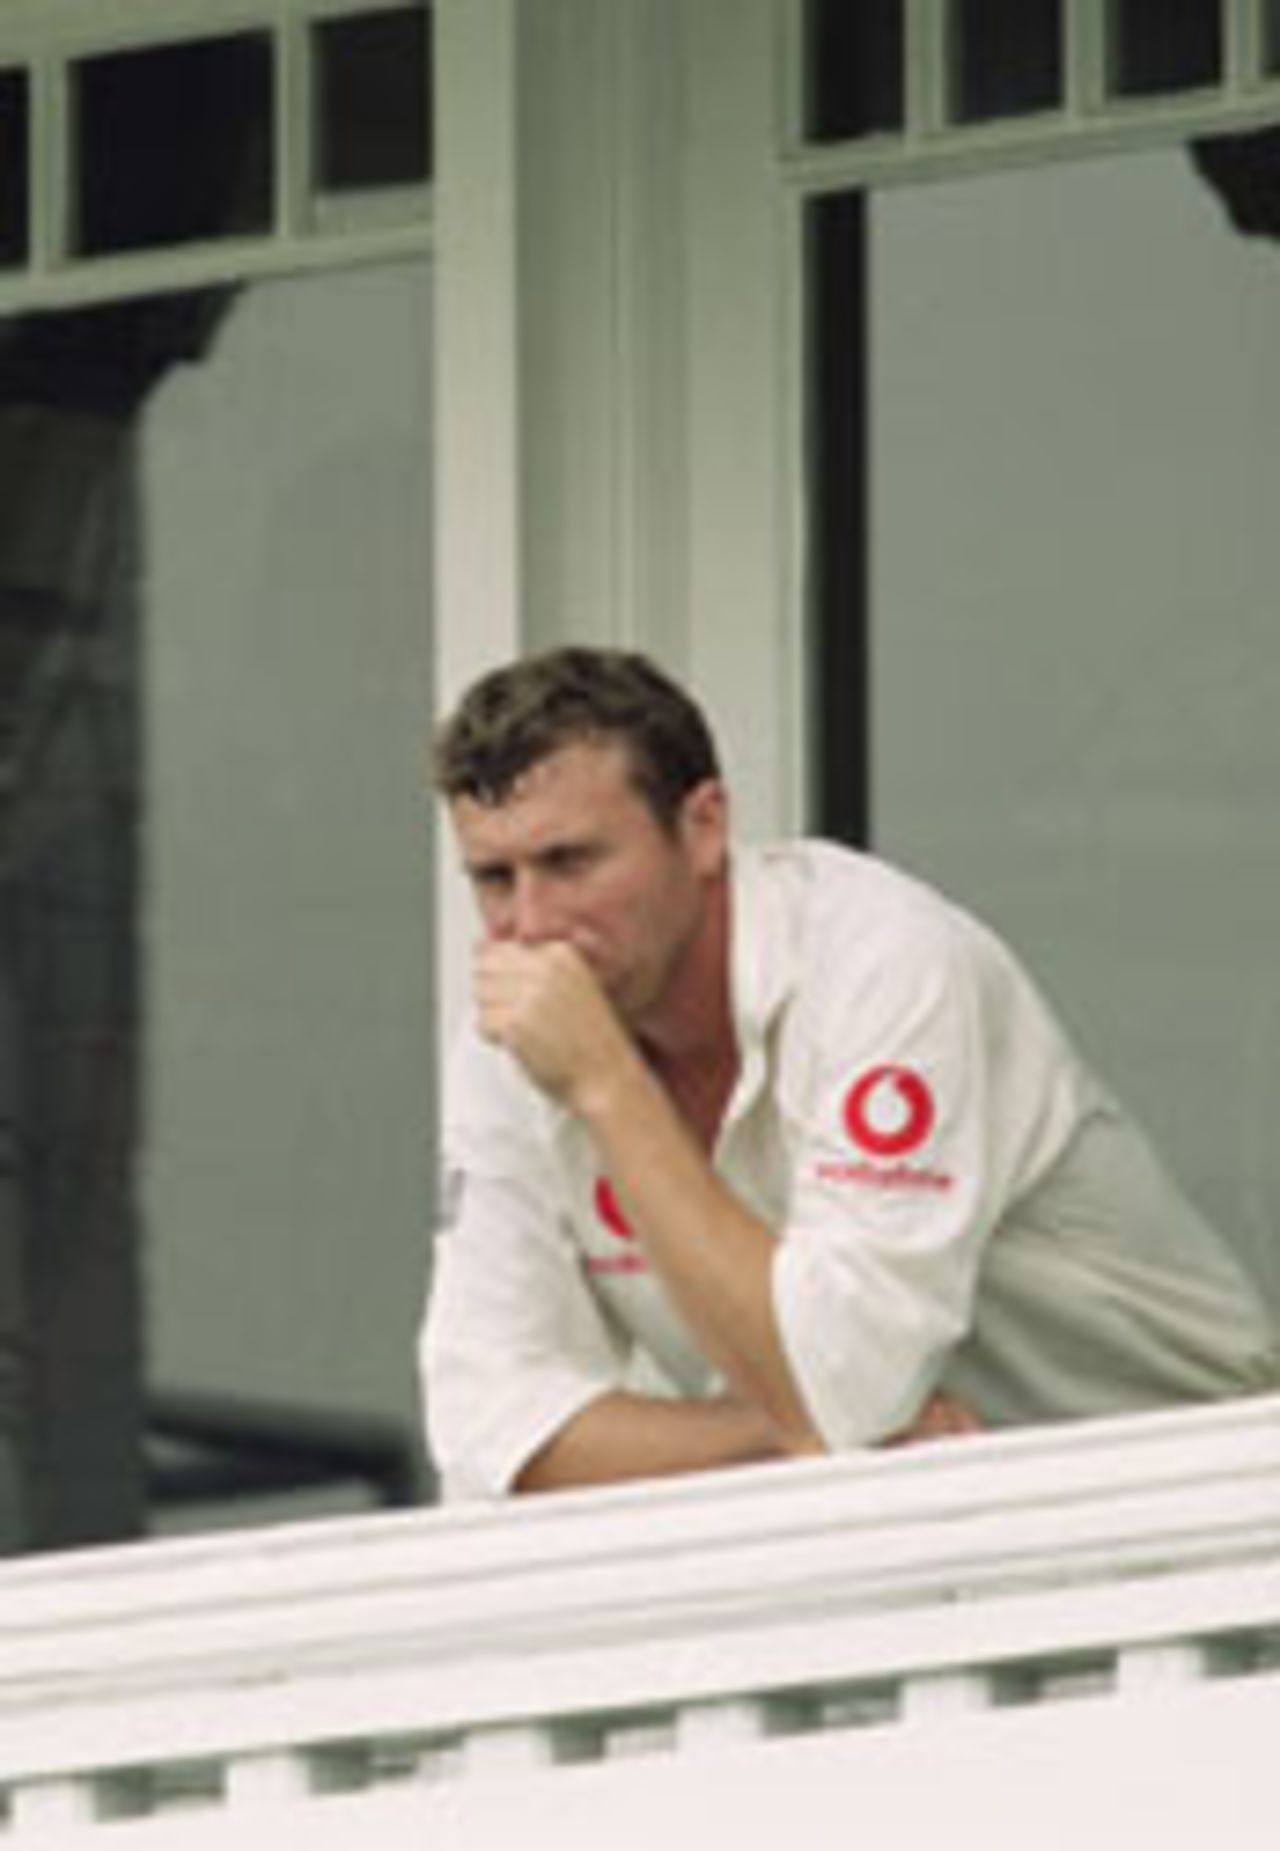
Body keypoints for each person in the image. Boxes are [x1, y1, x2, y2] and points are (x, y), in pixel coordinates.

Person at [419, 648, 1279, 1500]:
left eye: (571, 862)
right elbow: (491, 1429)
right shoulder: (516, 1040)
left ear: (704, 826)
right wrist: (765, 1431)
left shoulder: (882, 957)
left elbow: (838, 1391)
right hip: (918, 1561)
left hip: (1208, 1516)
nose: (529, 926)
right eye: (495, 878)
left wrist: (608, 1085)